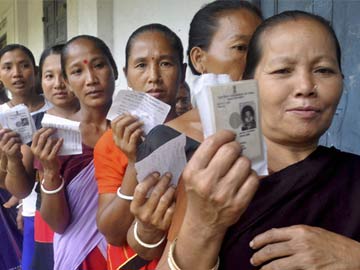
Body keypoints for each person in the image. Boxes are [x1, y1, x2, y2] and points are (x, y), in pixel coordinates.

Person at [150, 10, 360, 270]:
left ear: (342, 81)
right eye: (283, 70)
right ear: (250, 84)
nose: (305, 86)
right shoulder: (214, 179)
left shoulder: (354, 175)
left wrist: (352, 256)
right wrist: (204, 225)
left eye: (323, 70)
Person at [126, 0, 263, 261]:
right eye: (241, 48)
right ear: (199, 59)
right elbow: (149, 247)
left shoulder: (286, 130)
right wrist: (147, 228)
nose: (258, 59)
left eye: (263, 47)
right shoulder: (167, 140)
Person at [94, 23, 186, 270]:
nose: (153, 76)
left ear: (183, 71)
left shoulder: (200, 131)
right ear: (127, 73)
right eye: (141, 65)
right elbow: (112, 232)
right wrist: (135, 161)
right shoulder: (112, 142)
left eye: (165, 63)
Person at [31, 35, 118, 270]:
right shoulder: (56, 139)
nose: (91, 79)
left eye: (99, 65)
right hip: (80, 259)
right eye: (77, 72)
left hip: (130, 252)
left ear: (115, 70)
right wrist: (50, 172)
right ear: (68, 82)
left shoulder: (137, 129)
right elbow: (59, 224)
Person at [0, 44, 52, 270]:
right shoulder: (1, 117)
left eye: (24, 65)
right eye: (7, 67)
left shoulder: (57, 107)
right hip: (28, 208)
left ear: (36, 70)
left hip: (60, 204)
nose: (17, 73)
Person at [31, 44, 80, 270]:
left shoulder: (107, 124)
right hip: (50, 222)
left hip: (101, 223)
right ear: (41, 81)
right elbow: (20, 186)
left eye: (66, 74)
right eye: (49, 76)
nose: (59, 84)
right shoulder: (37, 126)